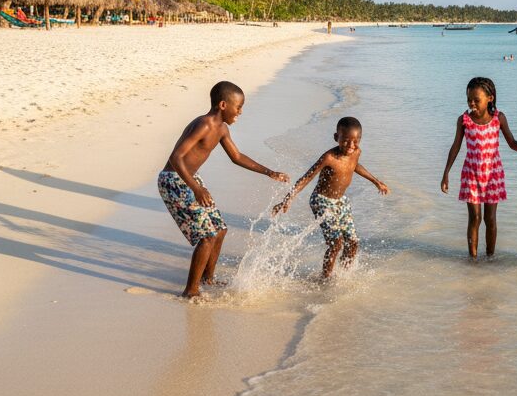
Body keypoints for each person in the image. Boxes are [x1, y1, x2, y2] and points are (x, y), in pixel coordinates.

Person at [159, 81, 289, 299]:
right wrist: (196, 188)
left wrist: (269, 172)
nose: (240, 112)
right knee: (207, 236)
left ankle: (207, 279)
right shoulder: (204, 125)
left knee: (219, 230)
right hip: (173, 180)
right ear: (222, 105)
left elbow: (237, 157)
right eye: (238, 107)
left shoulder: (222, 129)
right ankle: (190, 291)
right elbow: (176, 157)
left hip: (191, 180)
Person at [272, 116, 389, 279]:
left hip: (341, 202)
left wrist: (376, 181)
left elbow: (355, 165)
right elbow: (307, 177)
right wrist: (288, 198)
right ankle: (325, 278)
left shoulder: (356, 151)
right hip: (321, 201)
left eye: (356, 141)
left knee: (353, 242)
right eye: (346, 140)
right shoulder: (329, 158)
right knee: (336, 243)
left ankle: (344, 273)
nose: (351, 145)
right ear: (336, 138)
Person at [441, 76, 517, 260]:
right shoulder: (464, 120)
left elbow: (512, 142)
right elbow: (456, 146)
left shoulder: (499, 118)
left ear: (490, 98)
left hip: (493, 175)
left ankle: (490, 258)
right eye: (469, 100)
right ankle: (472, 259)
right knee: (474, 218)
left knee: (490, 219)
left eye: (476, 100)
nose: (472, 103)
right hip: (471, 174)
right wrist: (446, 173)